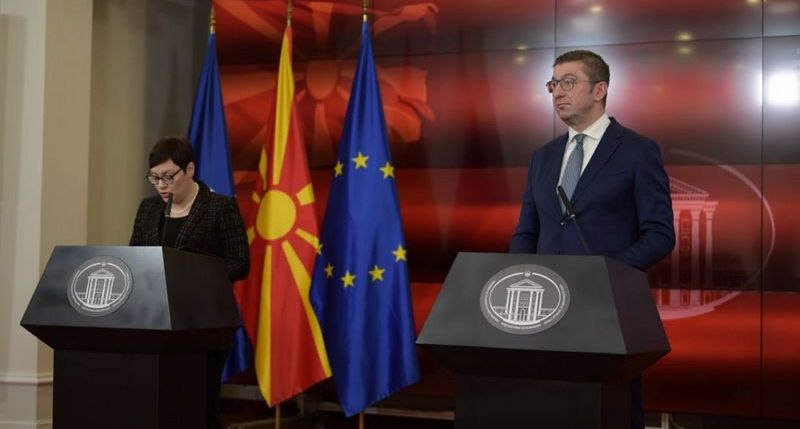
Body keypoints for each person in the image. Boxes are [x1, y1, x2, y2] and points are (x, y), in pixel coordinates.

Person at [510, 50, 675, 429]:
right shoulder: (542, 157)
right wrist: (521, 274)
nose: (557, 92)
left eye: (568, 82)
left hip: (606, 311)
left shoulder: (637, 151)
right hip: (542, 312)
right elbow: (527, 231)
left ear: (599, 90)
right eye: (553, 84)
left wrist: (604, 276)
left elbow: (660, 235)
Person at [130, 136, 249, 429]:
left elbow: (239, 262)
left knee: (199, 409)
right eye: (154, 178)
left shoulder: (220, 207)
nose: (161, 185)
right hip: (155, 326)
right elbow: (135, 259)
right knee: (159, 409)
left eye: (168, 177)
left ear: (190, 169)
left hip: (203, 326)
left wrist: (192, 276)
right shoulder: (148, 209)